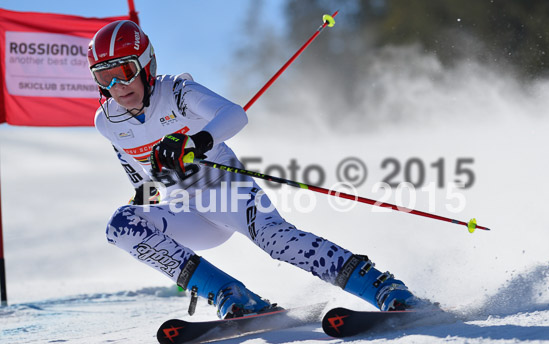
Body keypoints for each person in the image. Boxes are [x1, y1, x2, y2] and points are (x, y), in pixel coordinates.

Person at [87, 20, 419, 319]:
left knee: (275, 240)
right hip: (186, 211)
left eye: (126, 71)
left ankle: (382, 287)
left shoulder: (176, 92)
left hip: (225, 191)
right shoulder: (108, 123)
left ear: (146, 65)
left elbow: (234, 115)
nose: (118, 85)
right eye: (105, 76)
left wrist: (194, 143)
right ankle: (230, 295)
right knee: (121, 225)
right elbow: (146, 182)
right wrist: (144, 209)